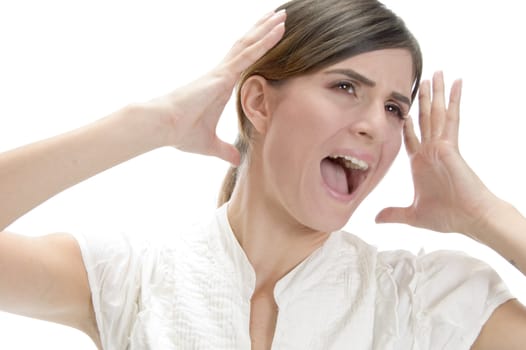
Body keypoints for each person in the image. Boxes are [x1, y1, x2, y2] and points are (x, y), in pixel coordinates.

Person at [1, 0, 525, 349]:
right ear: (257, 102)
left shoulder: (424, 299)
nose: (374, 126)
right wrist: (151, 125)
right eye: (346, 87)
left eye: (393, 107)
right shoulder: (135, 275)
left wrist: (485, 215)